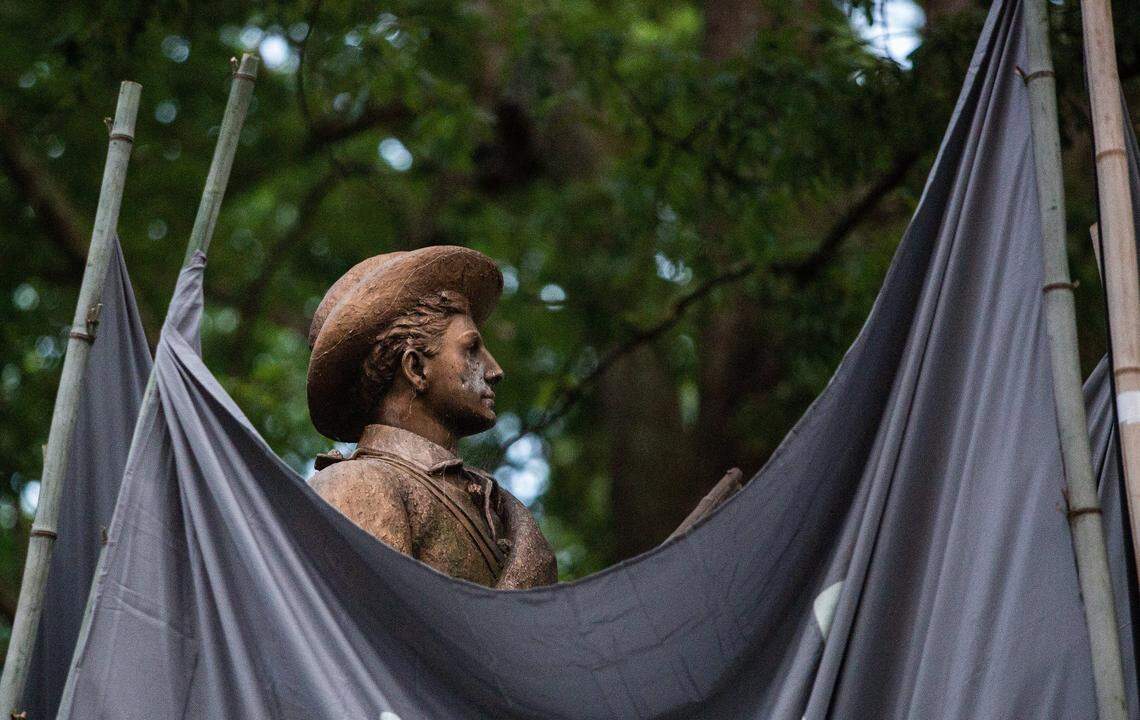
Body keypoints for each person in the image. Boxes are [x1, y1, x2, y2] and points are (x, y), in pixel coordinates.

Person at [307, 246, 740, 589]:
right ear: (416, 368)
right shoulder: (357, 485)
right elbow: (372, 659)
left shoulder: (496, 508)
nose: (495, 370)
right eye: (472, 349)